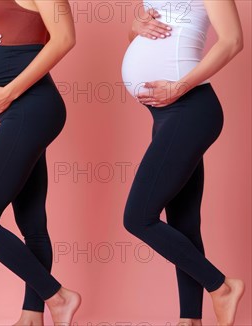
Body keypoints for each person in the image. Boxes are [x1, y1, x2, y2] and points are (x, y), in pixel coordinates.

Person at [121, 1, 245, 325]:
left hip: (191, 109)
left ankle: (222, 286)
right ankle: (190, 319)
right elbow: (142, 37)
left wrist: (179, 86)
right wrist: (134, 28)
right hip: (164, 114)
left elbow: (233, 40)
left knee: (138, 217)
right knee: (184, 223)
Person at [0, 0, 81, 324]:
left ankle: (58, 296)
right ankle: (32, 316)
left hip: (29, 109)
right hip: (21, 113)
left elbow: (64, 38)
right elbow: (16, 25)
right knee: (32, 224)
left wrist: (10, 92)